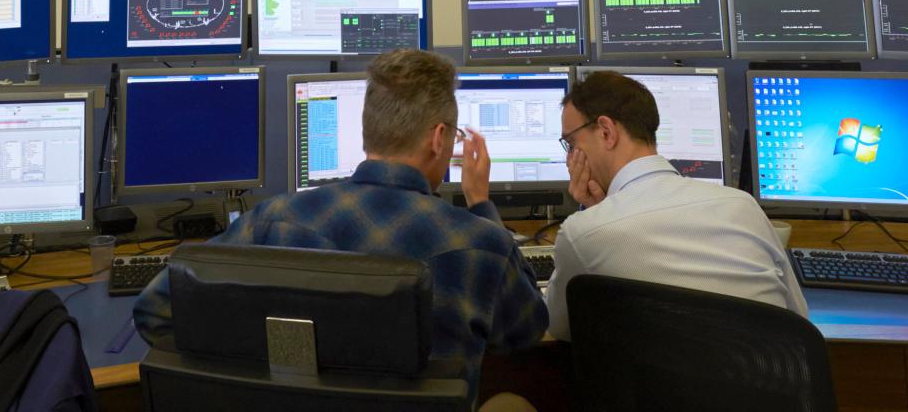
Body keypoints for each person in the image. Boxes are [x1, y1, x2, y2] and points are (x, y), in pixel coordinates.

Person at [133, 48, 548, 403]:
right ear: (439, 138)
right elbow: (526, 332)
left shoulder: (273, 220)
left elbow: (154, 310)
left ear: (369, 130)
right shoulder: (481, 245)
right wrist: (482, 204)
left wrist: (259, 364)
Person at [545, 70, 807, 341]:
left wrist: (593, 213)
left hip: (657, 384)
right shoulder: (744, 207)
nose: (570, 160)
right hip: (762, 381)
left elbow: (559, 327)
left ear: (606, 132)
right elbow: (798, 320)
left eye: (571, 143)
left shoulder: (585, 233)